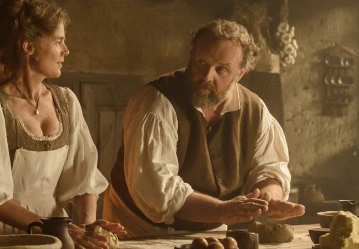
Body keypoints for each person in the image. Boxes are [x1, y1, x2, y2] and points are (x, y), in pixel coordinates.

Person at [0, 0, 125, 249]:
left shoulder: (66, 102)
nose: (66, 51)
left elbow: (84, 177)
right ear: (29, 47)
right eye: (58, 41)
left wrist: (88, 228)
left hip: (57, 231)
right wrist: (47, 228)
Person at [103, 19, 304, 237]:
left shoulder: (255, 110)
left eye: (221, 69)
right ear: (191, 58)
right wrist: (222, 210)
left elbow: (270, 166)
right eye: (201, 63)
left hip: (211, 230)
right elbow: (158, 191)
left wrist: (267, 197)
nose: (207, 76)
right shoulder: (156, 104)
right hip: (138, 230)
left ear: (240, 74)